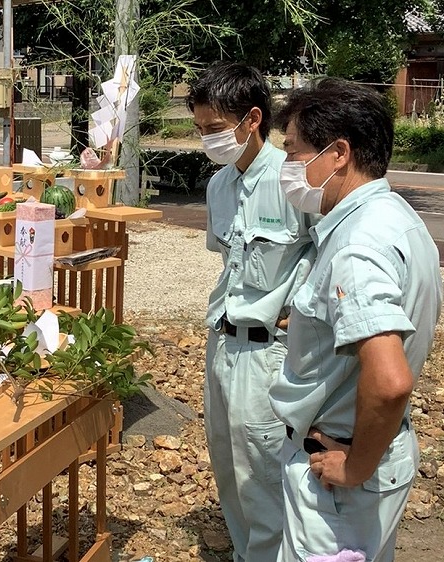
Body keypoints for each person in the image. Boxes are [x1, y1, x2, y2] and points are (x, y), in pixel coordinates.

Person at [269, 78, 442, 561]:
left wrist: (355, 468)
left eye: (295, 152)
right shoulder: (399, 218)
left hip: (340, 477)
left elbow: (389, 381)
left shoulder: (356, 246)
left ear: (338, 152)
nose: (287, 168)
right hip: (374, 458)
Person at [186, 61, 317, 561]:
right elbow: (230, 262)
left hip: (270, 355)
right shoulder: (219, 186)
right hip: (222, 344)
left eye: (215, 129)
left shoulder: (293, 182)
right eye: (199, 130)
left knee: (263, 472)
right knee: (229, 465)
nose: (207, 140)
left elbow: (323, 252)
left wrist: (300, 303)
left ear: (252, 119)